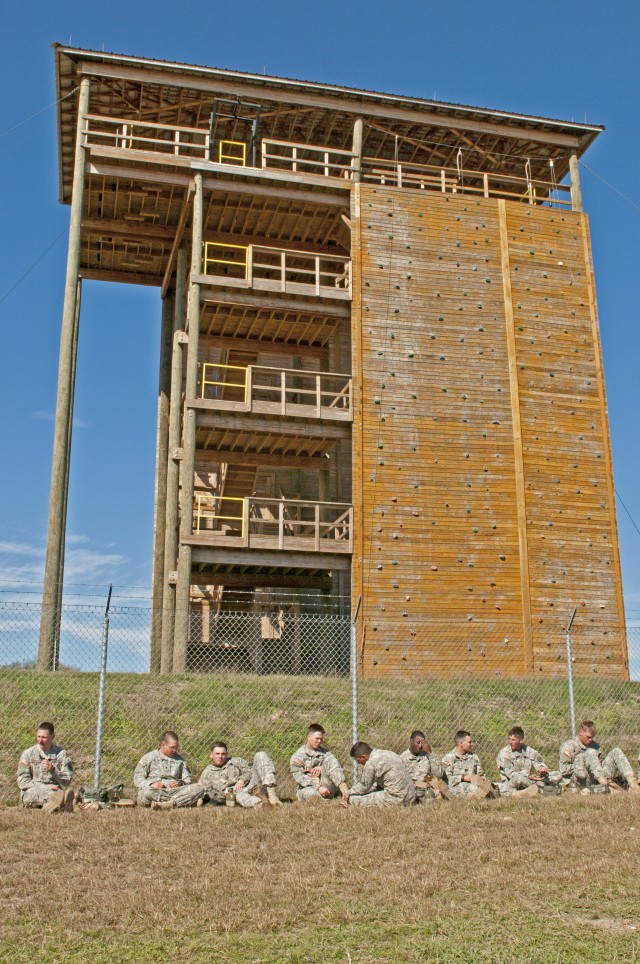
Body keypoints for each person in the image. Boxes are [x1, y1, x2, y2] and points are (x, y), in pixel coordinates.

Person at [559, 720, 640, 793]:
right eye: (588, 737)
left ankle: (633, 785)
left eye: (592, 737)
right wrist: (580, 765)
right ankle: (605, 786)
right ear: (581, 732)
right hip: (580, 779)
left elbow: (600, 762)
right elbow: (563, 770)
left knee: (616, 751)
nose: (590, 740)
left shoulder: (594, 745)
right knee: (590, 752)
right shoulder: (568, 746)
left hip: (598, 778)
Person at [134, 731, 205, 809]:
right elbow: (137, 779)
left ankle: (167, 804)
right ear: (163, 745)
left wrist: (180, 783)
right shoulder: (148, 758)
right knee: (145, 793)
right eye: (172, 747)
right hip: (156, 791)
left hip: (174, 792)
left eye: (176, 747)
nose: (175, 750)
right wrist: (152, 784)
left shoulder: (180, 761)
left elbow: (188, 780)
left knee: (200, 788)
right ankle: (182, 803)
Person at [198, 741, 282, 808]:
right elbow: (204, 791)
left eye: (223, 754)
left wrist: (242, 780)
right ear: (211, 755)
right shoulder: (207, 772)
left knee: (260, 755)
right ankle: (262, 805)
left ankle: (272, 796)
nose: (220, 756)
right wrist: (224, 793)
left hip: (251, 785)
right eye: (217, 754)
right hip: (234, 794)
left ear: (226, 754)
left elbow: (251, 769)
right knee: (239, 795)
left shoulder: (235, 761)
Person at [17, 721, 74, 813]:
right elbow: (22, 782)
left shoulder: (61, 754)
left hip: (56, 792)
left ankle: (54, 806)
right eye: (38, 737)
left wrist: (53, 770)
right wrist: (45, 787)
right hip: (31, 792)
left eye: (44, 737)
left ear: (52, 737)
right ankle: (64, 804)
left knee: (56, 795)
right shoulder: (28, 754)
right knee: (48, 792)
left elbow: (68, 781)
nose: (40, 740)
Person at [290, 723, 349, 803]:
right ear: (308, 737)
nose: (319, 741)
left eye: (321, 739)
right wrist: (318, 787)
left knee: (331, 760)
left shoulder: (326, 753)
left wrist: (322, 768)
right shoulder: (297, 756)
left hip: (326, 788)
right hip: (309, 788)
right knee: (311, 794)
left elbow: (337, 766)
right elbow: (299, 777)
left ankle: (345, 791)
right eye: (317, 738)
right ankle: (322, 802)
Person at [347, 742, 416, 807]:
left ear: (364, 757)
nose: (358, 763)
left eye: (358, 760)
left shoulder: (370, 763)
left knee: (353, 799)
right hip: (411, 795)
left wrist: (348, 793)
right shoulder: (388, 753)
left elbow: (364, 786)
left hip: (398, 799)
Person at [495, 726, 556, 798]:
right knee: (520, 778)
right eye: (509, 739)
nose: (510, 742)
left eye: (513, 740)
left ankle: (534, 789)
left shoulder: (529, 750)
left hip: (529, 779)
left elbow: (539, 763)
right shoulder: (505, 753)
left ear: (521, 740)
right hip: (511, 782)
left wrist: (542, 770)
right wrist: (529, 777)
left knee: (556, 774)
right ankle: (543, 789)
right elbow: (509, 774)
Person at [400, 730, 452, 801]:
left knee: (440, 787)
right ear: (411, 741)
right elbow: (405, 780)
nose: (420, 746)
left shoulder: (426, 755)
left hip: (429, 788)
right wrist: (423, 781)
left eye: (422, 743)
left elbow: (438, 774)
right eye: (418, 743)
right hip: (414, 789)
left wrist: (430, 753)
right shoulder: (402, 758)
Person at [441, 731, 494, 798]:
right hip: (455, 787)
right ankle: (478, 795)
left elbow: (481, 774)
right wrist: (463, 778)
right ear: (461, 743)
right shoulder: (449, 758)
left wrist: (479, 778)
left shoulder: (474, 757)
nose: (472, 744)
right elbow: (446, 779)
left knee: (494, 786)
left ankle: (478, 795)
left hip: (474, 785)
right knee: (467, 786)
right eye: (469, 742)